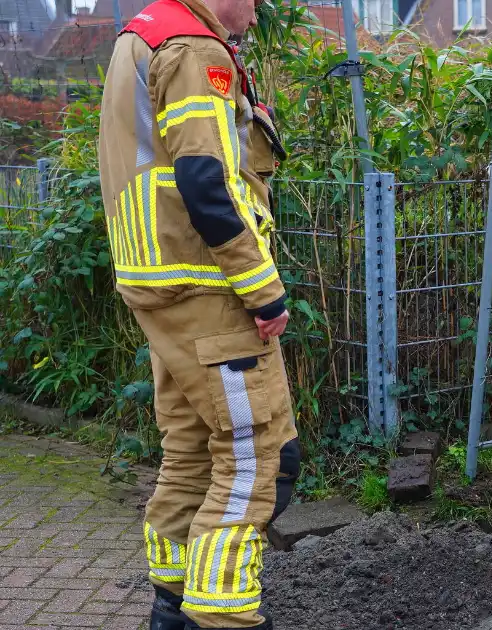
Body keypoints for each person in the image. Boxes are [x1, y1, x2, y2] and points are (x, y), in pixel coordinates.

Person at [97, 0, 298, 628]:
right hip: (206, 283)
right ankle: (223, 615)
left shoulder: (140, 38)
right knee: (257, 455)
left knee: (189, 449)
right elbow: (207, 180)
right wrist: (262, 288)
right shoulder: (194, 50)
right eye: (256, 3)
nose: (258, 16)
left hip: (157, 280)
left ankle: (172, 607)